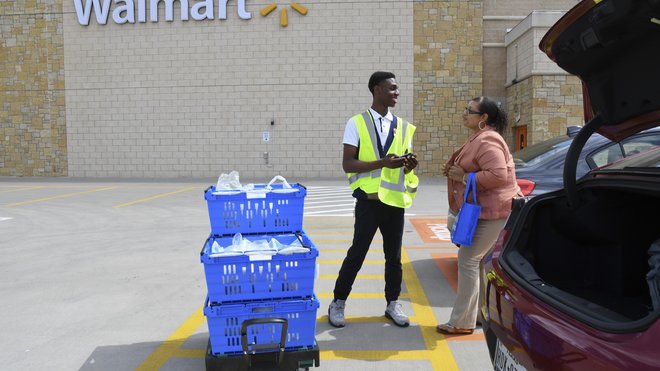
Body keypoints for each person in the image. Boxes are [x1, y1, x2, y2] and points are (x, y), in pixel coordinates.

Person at [328, 71, 419, 328]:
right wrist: (382, 162)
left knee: (394, 257)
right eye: (392, 88)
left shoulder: (402, 126)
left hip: (394, 202)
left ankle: (392, 303)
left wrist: (409, 165)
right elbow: (348, 164)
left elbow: (403, 166)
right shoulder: (355, 123)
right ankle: (338, 302)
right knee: (357, 253)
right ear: (377, 89)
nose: (396, 92)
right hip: (368, 202)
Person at [436, 96, 521, 335]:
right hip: (487, 210)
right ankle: (481, 315)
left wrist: (464, 176)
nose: (465, 113)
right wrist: (456, 170)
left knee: (468, 260)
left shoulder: (488, 140)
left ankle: (462, 322)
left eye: (469, 110)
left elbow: (498, 175)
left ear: (483, 118)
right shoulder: (481, 138)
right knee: (481, 263)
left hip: (494, 211)